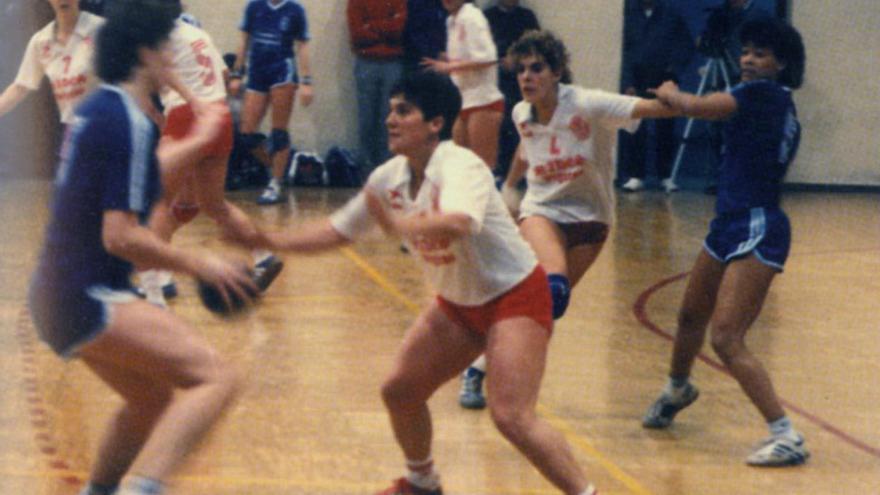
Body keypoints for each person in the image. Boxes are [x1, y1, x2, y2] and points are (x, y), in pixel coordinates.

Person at [257, 70, 598, 495]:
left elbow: (458, 222)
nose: (390, 120)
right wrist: (267, 239)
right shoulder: (390, 176)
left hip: (514, 295)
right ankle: (423, 483)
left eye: (404, 111)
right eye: (390, 111)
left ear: (435, 123)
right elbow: (338, 230)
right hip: (458, 304)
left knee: (512, 417)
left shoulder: (459, 164)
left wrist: (399, 223)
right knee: (400, 391)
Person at [27, 2, 257, 495]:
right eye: (165, 53)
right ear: (145, 53)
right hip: (85, 293)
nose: (171, 64)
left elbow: (148, 173)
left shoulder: (97, 109)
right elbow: (121, 238)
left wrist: (196, 139)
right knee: (215, 377)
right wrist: (202, 263)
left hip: (56, 295)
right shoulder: (126, 122)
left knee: (151, 401)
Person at [459, 30, 680, 409]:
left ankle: (478, 368)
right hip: (544, 212)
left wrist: (674, 96)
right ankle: (503, 381)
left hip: (593, 220)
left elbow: (654, 110)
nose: (527, 77)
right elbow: (527, 153)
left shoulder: (588, 104)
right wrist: (510, 188)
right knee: (553, 285)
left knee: (545, 306)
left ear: (557, 71)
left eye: (537, 68)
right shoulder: (520, 113)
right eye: (522, 70)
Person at [641, 17, 809, 467]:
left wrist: (671, 92)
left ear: (782, 64)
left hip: (757, 225)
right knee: (690, 313)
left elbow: (696, 106)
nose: (749, 60)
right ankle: (678, 387)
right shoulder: (770, 101)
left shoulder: (761, 95)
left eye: (761, 54)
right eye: (747, 51)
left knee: (727, 337)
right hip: (730, 223)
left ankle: (785, 433)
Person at [138, 6, 284, 308]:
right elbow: (224, 74)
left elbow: (155, 77)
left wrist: (159, 113)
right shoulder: (197, 31)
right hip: (219, 116)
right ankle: (263, 256)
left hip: (187, 113)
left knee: (157, 202)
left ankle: (156, 290)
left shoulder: (155, 32)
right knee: (213, 204)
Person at [230, 0, 313, 205]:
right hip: (257, 72)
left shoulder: (295, 10)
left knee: (279, 131)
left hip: (282, 72)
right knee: (246, 132)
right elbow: (244, 40)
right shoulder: (254, 7)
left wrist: (306, 81)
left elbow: (302, 45)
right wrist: (236, 72)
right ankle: (279, 166)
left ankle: (275, 182)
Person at [618, 0, 694, 193]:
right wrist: (627, 82)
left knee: (666, 128)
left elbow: (686, 46)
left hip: (664, 79)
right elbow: (623, 51)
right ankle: (636, 175)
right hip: (637, 78)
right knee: (635, 127)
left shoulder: (671, 14)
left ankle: (665, 176)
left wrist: (673, 73)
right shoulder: (629, 14)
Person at [422, 0, 503, 172]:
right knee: (461, 167)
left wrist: (449, 67)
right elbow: (463, 57)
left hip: (483, 100)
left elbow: (487, 58)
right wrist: (445, 61)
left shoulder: (472, 16)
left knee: (483, 168)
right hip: (463, 99)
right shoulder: (451, 20)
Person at [0, 0, 104, 125]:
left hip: (104, 125)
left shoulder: (101, 29)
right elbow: (20, 87)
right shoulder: (41, 41)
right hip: (73, 130)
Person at [346, 0, 406, 173]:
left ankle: (388, 169)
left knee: (390, 118)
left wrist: (370, 26)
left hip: (393, 64)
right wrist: (387, 27)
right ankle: (366, 171)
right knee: (366, 118)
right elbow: (358, 34)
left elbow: (400, 30)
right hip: (366, 63)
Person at [484, 0, 539, 182]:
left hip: (522, 79)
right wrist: (501, 60)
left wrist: (516, 60)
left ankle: (522, 171)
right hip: (495, 80)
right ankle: (500, 169)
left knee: (523, 122)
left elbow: (536, 46)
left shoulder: (527, 17)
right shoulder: (488, 16)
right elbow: (483, 49)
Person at [401, 0, 446, 74]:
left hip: (450, 59)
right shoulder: (418, 4)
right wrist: (436, 53)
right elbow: (414, 33)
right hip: (420, 61)